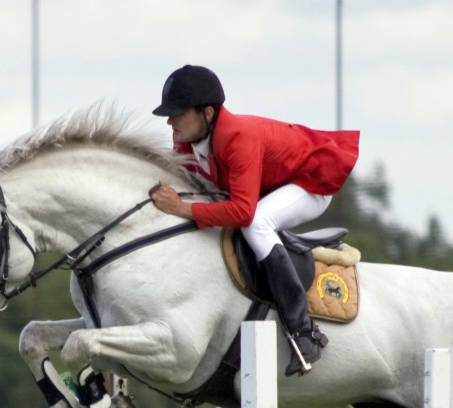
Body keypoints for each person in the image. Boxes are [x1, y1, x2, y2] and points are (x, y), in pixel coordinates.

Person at [149, 64, 359, 376]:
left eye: (178, 112)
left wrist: (182, 209)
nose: (170, 121)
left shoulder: (237, 138)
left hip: (309, 182)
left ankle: (304, 333)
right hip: (269, 185)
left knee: (257, 222)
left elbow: (242, 211)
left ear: (207, 113)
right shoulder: (186, 142)